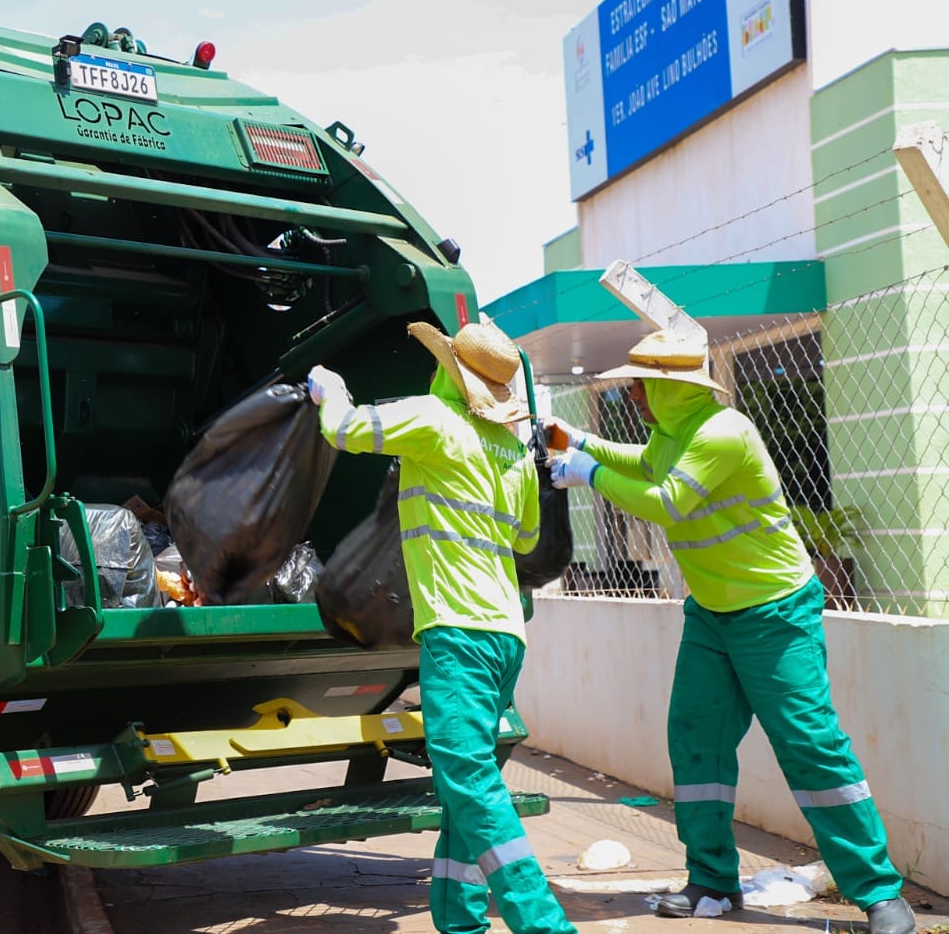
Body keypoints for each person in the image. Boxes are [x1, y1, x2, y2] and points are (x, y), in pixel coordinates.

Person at [547, 329, 915, 933]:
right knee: (696, 741)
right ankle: (711, 883)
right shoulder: (675, 431)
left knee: (810, 744)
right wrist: (576, 440)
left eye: (639, 383)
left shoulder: (722, 433)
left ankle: (880, 895)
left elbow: (667, 501)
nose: (632, 392)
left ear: (670, 387)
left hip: (774, 612)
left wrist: (585, 471)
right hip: (712, 615)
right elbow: (643, 462)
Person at [308, 320, 576, 934]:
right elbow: (527, 540)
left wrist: (331, 388)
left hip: (456, 632)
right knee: (466, 783)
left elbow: (347, 431)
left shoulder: (433, 419)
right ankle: (458, 917)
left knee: (469, 779)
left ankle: (544, 924)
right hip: (505, 633)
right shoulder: (511, 451)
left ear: (447, 369)